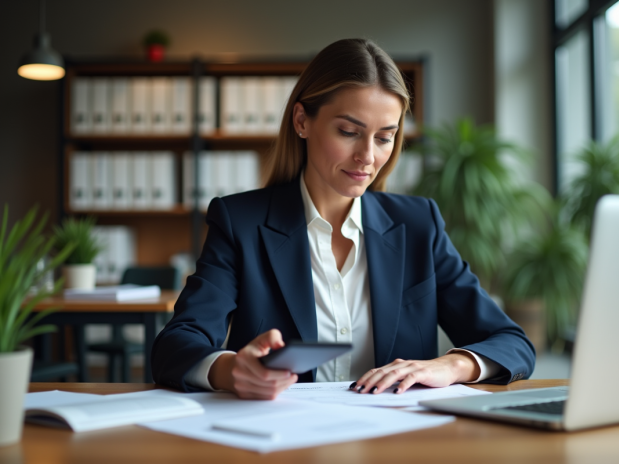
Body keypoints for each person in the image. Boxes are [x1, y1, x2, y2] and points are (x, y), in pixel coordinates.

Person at [152, 38, 535, 399]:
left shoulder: (419, 225)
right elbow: (175, 345)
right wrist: (232, 369)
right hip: (279, 439)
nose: (367, 156)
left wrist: (451, 365)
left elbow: (511, 342)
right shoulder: (241, 223)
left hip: (397, 440)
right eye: (349, 132)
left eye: (385, 137)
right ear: (301, 121)